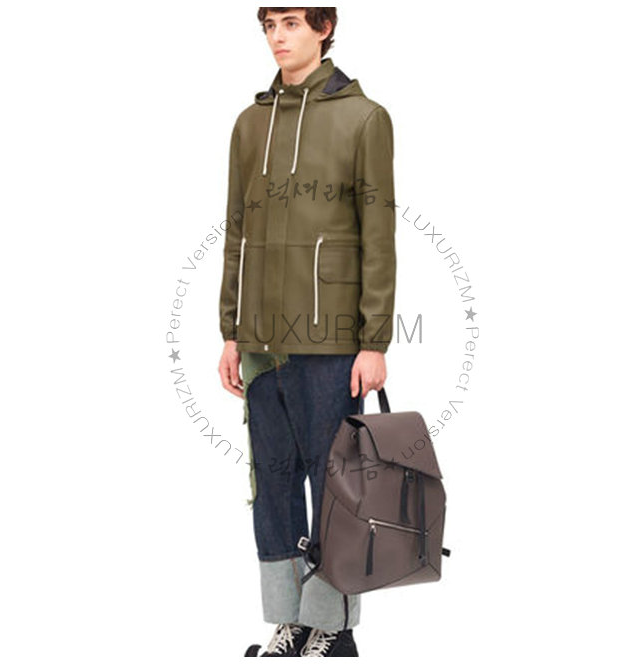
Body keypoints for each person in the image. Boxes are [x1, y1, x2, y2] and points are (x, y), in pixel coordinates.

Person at [218, 7, 397, 657]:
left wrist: (374, 340)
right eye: (270, 25)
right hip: (262, 342)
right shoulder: (250, 123)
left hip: (331, 342)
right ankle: (289, 619)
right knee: (271, 484)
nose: (278, 37)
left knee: (335, 485)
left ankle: (333, 624)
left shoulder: (365, 118)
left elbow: (378, 237)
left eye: (291, 22)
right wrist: (231, 331)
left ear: (323, 28)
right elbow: (236, 230)